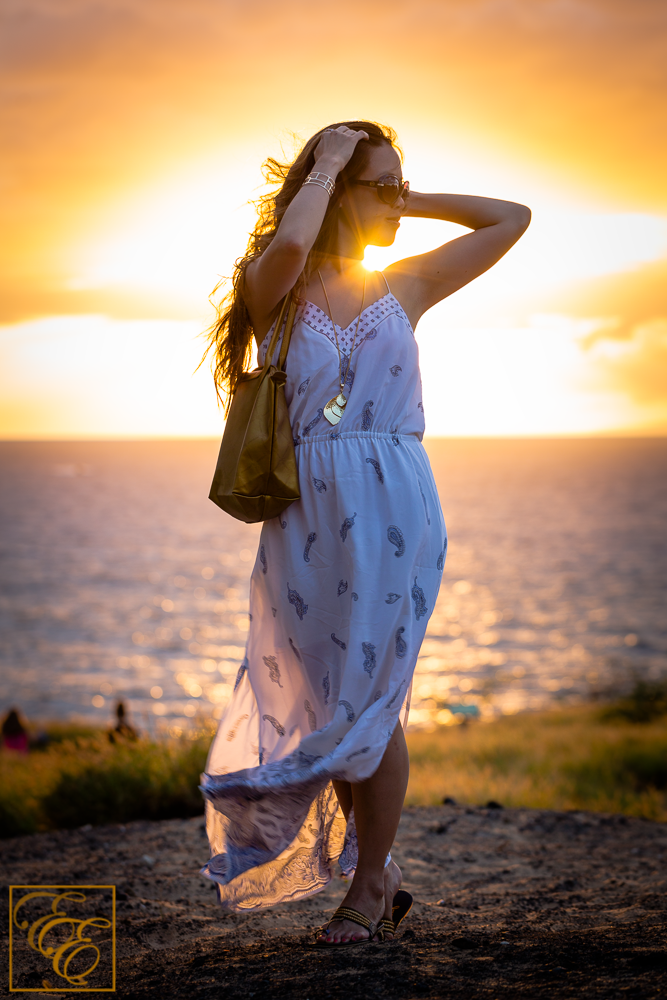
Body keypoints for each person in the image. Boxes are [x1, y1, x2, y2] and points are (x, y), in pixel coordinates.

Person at [199, 121, 530, 944]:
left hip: (393, 510)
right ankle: (378, 873)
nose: (391, 195)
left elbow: (510, 217)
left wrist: (400, 200)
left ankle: (371, 885)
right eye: (376, 183)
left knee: (371, 703)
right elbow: (292, 241)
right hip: (305, 514)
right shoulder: (270, 284)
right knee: (327, 706)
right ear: (334, 185)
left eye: (397, 181)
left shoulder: (404, 285)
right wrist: (332, 169)